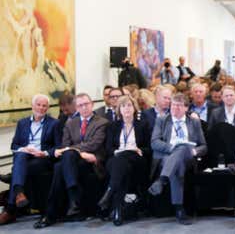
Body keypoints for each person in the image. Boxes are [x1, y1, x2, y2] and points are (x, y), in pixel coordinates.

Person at [34, 93, 109, 229]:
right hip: (74, 162)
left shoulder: (102, 122)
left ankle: (50, 214)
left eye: (86, 104)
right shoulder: (70, 123)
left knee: (62, 164)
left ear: (92, 104)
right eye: (80, 105)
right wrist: (71, 150)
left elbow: (93, 145)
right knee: (60, 165)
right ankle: (71, 195)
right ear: (76, 108)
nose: (84, 107)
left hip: (91, 162)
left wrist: (73, 150)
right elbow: (64, 144)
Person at [0, 95, 61, 225]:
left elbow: (58, 146)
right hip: (25, 157)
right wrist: (25, 148)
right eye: (38, 104)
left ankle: (10, 209)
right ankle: (19, 194)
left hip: (42, 158)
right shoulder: (22, 123)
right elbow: (14, 146)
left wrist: (43, 152)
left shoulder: (54, 123)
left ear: (47, 108)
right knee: (21, 156)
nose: (41, 108)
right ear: (33, 106)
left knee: (18, 168)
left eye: (44, 105)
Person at [148, 93, 207, 225]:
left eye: (179, 106)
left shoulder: (194, 122)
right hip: (167, 156)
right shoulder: (162, 120)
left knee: (182, 148)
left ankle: (162, 180)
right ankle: (179, 209)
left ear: (186, 108)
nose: (175, 108)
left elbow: (204, 146)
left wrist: (195, 151)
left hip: (189, 156)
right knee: (177, 160)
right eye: (173, 105)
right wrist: (171, 148)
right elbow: (154, 142)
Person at [99, 95, 151, 226]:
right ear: (119, 110)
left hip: (137, 159)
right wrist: (116, 152)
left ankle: (111, 194)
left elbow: (149, 147)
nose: (126, 108)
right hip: (117, 159)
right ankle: (118, 210)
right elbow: (108, 148)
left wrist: (141, 150)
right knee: (121, 166)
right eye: (123, 106)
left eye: (129, 105)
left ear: (134, 108)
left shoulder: (143, 125)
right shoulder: (113, 126)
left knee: (125, 157)